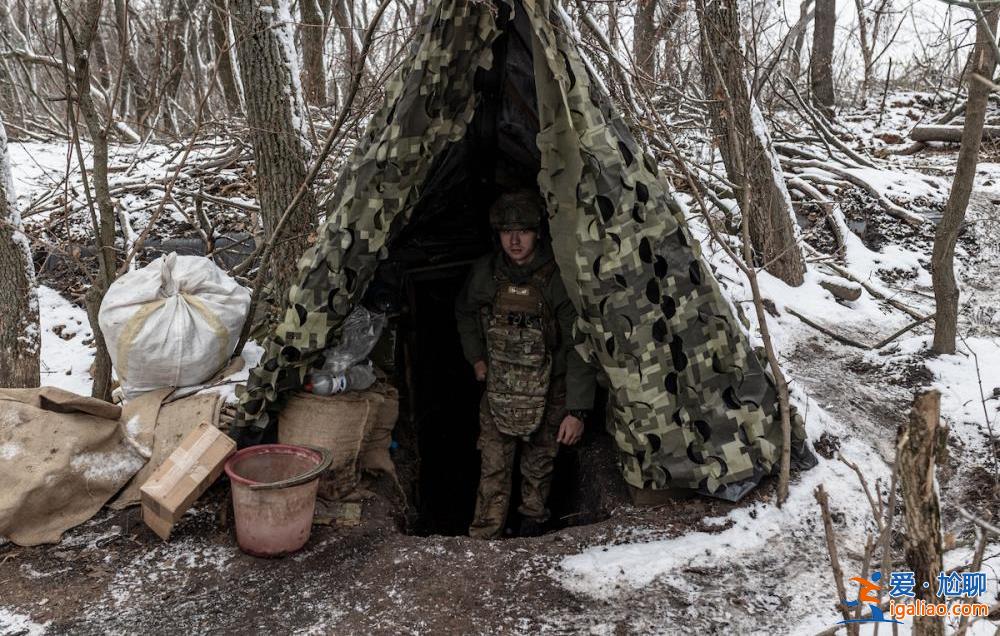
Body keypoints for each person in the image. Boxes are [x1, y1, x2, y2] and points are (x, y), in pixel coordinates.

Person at [455, 189, 596, 539]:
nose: (515, 241)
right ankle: (485, 539)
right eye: (507, 232)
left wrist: (577, 411)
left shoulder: (558, 277)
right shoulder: (487, 273)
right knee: (493, 467)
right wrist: (477, 359)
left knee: (539, 467)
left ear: (538, 232)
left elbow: (580, 343)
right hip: (500, 387)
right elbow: (465, 312)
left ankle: (531, 536)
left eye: (523, 231)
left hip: (550, 388)